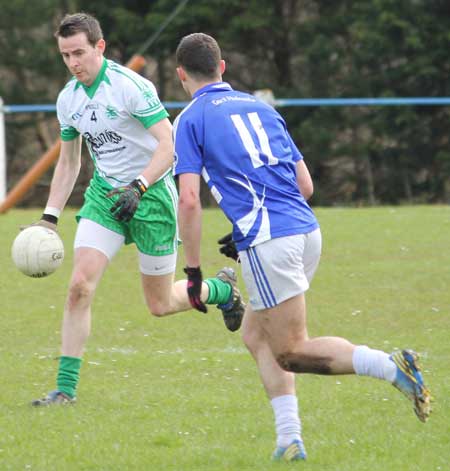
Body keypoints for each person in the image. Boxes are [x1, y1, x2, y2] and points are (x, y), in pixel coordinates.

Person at [173, 33, 432, 462]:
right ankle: (288, 440)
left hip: (270, 241)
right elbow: (305, 185)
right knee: (257, 335)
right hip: (306, 231)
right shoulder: (262, 108)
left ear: (181, 75)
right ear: (224, 67)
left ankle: (393, 366)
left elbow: (188, 200)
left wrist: (195, 271)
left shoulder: (190, 119)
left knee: (291, 350)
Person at [29, 14, 245, 406]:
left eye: (79, 52)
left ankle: (221, 289)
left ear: (100, 47)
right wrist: (49, 216)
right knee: (79, 287)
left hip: (152, 199)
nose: (73, 63)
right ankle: (65, 390)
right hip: (105, 198)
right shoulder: (69, 100)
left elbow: (168, 145)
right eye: (65, 55)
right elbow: (69, 162)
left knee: (159, 305)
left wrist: (139, 186)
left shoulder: (131, 88)